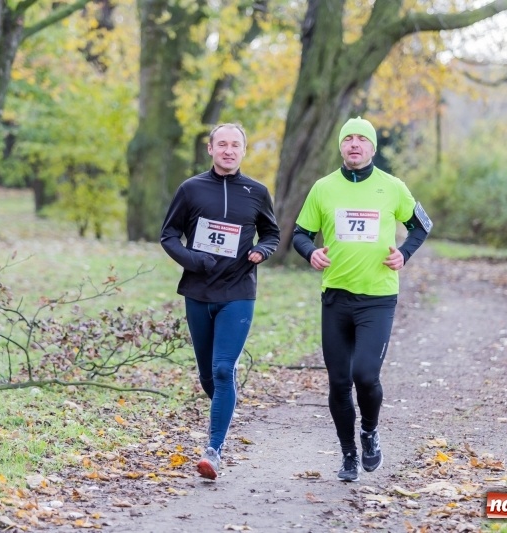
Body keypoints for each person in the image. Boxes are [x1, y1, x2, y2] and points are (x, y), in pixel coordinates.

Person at [292, 116, 432, 482]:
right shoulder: (323, 188)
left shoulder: (392, 187)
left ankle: (369, 433)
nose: (354, 144)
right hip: (336, 297)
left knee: (365, 375)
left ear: (371, 147)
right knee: (339, 382)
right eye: (348, 139)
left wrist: (405, 253)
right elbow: (300, 233)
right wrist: (311, 253)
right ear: (341, 146)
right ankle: (349, 454)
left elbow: (422, 225)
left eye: (361, 139)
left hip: (378, 297)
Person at [160, 123, 280, 480]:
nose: (229, 151)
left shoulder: (256, 192)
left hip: (239, 292)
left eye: (236, 145)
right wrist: (194, 260)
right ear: (210, 149)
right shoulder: (191, 189)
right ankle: (225, 410)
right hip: (198, 293)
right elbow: (168, 235)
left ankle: (214, 450)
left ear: (243, 151)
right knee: (208, 376)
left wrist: (262, 250)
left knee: (224, 369)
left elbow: (272, 232)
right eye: (222, 144)